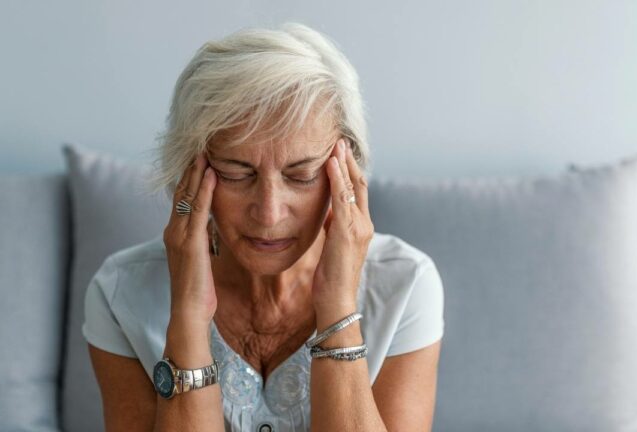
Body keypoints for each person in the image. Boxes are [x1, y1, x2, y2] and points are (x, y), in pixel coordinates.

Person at [83, 22, 445, 432]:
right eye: (237, 174)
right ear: (189, 172)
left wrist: (338, 308)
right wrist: (187, 315)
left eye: (302, 174)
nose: (269, 214)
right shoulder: (119, 293)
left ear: (345, 173)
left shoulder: (406, 284)